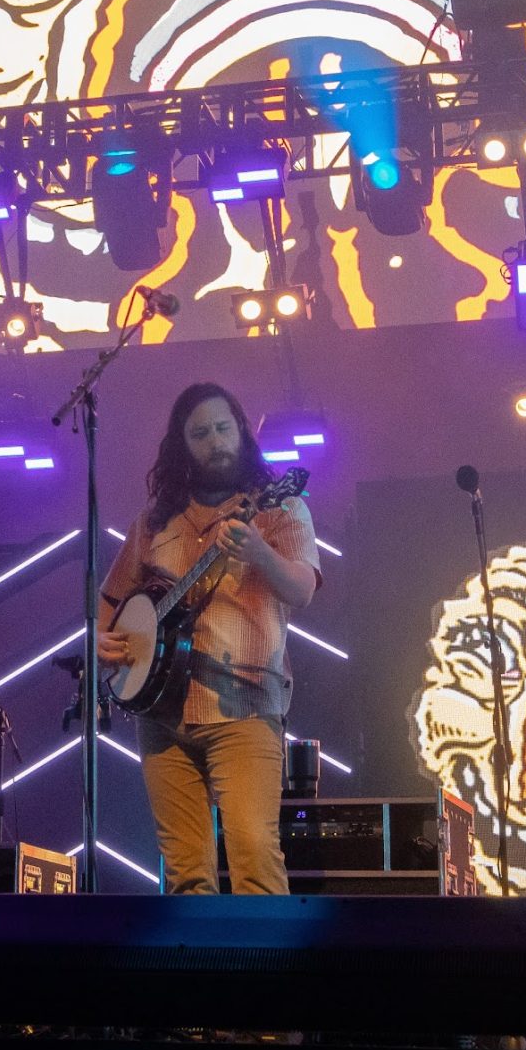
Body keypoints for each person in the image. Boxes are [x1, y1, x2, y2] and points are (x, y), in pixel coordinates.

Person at [95, 382, 321, 895]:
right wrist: (102, 641)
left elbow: (303, 590)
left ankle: (266, 949)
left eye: (223, 428)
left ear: (241, 431)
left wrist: (259, 552)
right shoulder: (154, 522)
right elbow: (110, 600)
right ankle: (198, 951)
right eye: (200, 434)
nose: (215, 442)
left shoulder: (281, 509)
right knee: (184, 872)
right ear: (183, 444)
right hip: (161, 713)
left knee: (254, 854)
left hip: (244, 703)